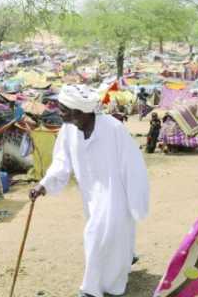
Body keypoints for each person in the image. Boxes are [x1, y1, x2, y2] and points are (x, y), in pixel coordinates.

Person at [29, 84, 149, 297]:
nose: (59, 113)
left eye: (63, 109)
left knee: (95, 236)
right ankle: (124, 259)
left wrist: (134, 197)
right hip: (90, 194)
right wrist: (44, 184)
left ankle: (92, 289)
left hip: (116, 193)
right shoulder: (68, 130)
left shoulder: (113, 128)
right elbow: (61, 160)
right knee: (108, 236)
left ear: (79, 112)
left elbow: (133, 164)